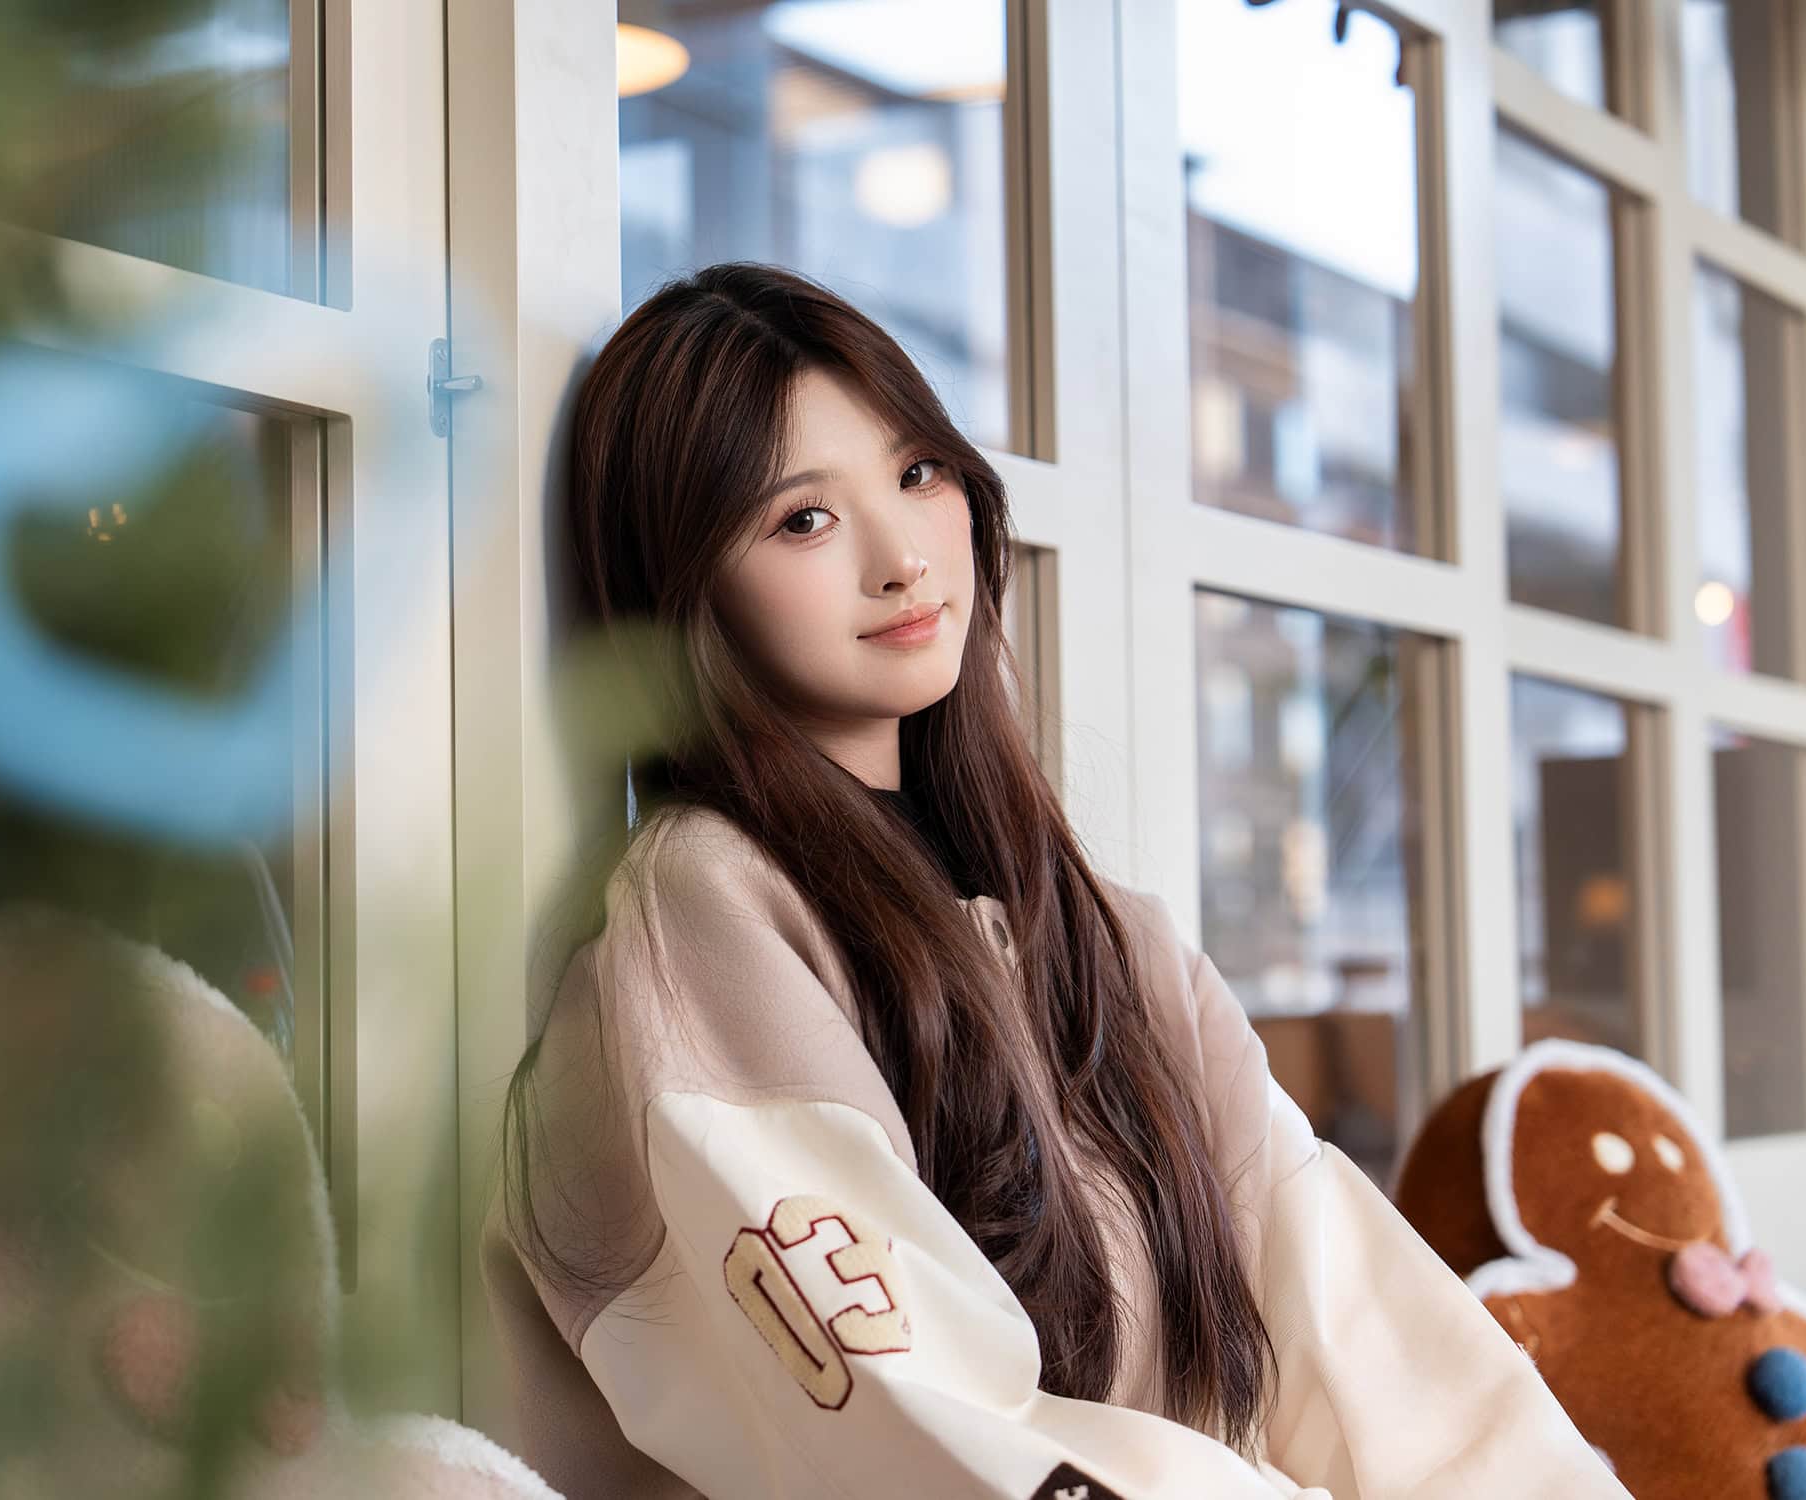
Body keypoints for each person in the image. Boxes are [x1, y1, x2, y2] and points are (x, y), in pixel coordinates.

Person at [481, 263, 1625, 1499]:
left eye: (917, 472)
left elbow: (1358, 1329)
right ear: (683, 591)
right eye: (802, 519)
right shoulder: (705, 912)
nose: (904, 555)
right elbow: (912, 1418)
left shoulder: (1104, 934)